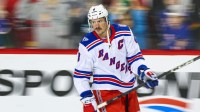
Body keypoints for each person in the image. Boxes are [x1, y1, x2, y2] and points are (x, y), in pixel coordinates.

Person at [73, 4, 158, 112]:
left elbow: (134, 58)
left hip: (129, 88)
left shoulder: (125, 32)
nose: (96, 25)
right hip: (106, 90)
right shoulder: (87, 44)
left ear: (107, 20)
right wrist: (87, 99)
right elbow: (80, 75)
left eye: (99, 21)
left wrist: (144, 72)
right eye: (93, 22)